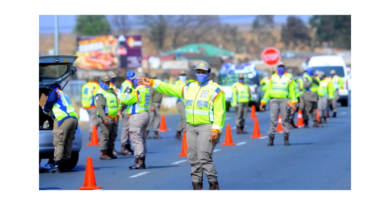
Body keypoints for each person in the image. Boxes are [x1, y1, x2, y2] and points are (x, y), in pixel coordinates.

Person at [139, 60, 226, 190]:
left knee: (204, 157)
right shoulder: (189, 87)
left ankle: (213, 183)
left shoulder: (216, 90)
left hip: (207, 127)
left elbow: (220, 112)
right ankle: (197, 184)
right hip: (190, 126)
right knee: (193, 157)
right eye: (198, 71)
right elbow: (170, 88)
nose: (200, 74)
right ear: (195, 73)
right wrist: (152, 82)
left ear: (208, 73)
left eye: (203, 72)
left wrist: (216, 129)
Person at [42, 83, 78, 173]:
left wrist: (46, 108)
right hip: (73, 119)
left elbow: (51, 100)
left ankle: (57, 164)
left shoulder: (55, 92)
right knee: (67, 143)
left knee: (59, 142)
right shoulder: (65, 95)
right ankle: (64, 164)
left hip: (63, 119)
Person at [260, 62, 297, 146]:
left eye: (282, 67)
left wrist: (294, 102)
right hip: (274, 100)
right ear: (277, 68)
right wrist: (263, 102)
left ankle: (286, 139)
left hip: (284, 100)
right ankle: (271, 139)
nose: (281, 68)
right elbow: (268, 91)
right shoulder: (272, 77)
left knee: (285, 120)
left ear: (284, 68)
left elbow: (292, 91)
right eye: (279, 67)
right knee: (273, 120)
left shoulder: (289, 77)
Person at [119, 72, 151, 169]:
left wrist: (121, 95)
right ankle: (142, 159)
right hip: (145, 114)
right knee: (142, 139)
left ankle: (139, 161)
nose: (133, 81)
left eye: (134, 79)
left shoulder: (137, 91)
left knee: (136, 139)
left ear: (138, 80)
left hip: (137, 116)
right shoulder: (146, 90)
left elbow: (126, 100)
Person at [94, 75, 120, 160]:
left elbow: (117, 101)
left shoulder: (110, 92)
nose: (107, 84)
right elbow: (100, 107)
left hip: (114, 117)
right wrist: (104, 118)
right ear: (101, 83)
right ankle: (103, 153)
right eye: (105, 82)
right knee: (105, 135)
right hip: (106, 117)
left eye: (108, 82)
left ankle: (110, 151)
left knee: (113, 135)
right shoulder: (100, 93)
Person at [118, 70, 136, 155]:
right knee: (126, 128)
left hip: (126, 108)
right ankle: (124, 146)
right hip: (126, 108)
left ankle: (127, 146)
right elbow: (124, 98)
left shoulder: (125, 84)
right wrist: (120, 109)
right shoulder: (128, 86)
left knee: (128, 128)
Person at [107, 71, 121, 155]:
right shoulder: (105, 87)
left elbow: (118, 99)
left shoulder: (114, 87)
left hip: (115, 113)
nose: (114, 79)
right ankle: (106, 150)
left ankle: (112, 148)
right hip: (108, 113)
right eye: (112, 77)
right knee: (107, 133)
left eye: (114, 77)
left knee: (114, 133)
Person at [146, 73, 162, 139]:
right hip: (154, 103)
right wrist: (152, 105)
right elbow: (150, 96)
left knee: (156, 118)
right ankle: (146, 131)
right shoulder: (152, 86)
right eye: (153, 78)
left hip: (157, 103)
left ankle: (155, 132)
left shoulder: (156, 85)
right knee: (152, 118)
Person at [174, 71, 188, 139]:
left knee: (183, 118)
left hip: (187, 103)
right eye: (182, 75)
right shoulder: (178, 83)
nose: (183, 76)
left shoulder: (187, 82)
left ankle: (178, 132)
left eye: (184, 74)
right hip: (180, 102)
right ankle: (185, 132)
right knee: (184, 118)